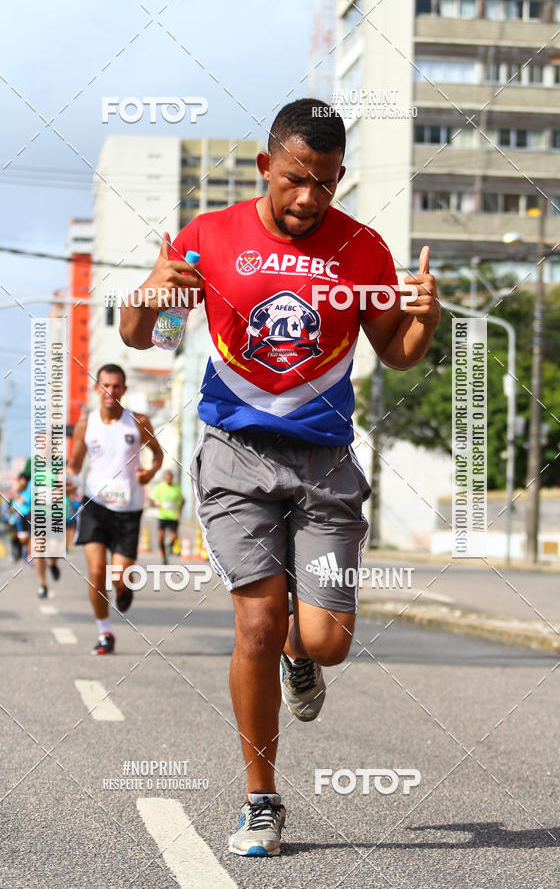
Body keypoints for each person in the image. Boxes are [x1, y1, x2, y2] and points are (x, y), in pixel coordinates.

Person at [120, 98, 440, 856]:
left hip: (327, 467)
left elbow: (396, 351)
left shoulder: (362, 248)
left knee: (324, 642)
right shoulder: (209, 236)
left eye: (326, 184)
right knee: (257, 622)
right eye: (297, 179)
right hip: (236, 456)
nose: (309, 199)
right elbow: (150, 339)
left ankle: (304, 659)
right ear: (267, 166)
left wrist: (425, 317)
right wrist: (152, 294)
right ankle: (261, 798)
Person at [67, 364, 163, 654]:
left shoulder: (138, 421)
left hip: (129, 510)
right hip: (95, 504)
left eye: (117, 386)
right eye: (105, 385)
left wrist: (150, 472)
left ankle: (124, 587)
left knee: (118, 577)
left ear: (124, 389)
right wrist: (68, 480)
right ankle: (104, 631)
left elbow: (158, 454)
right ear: (97, 388)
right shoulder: (87, 424)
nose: (111, 391)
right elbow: (75, 465)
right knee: (97, 571)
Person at [149, 470, 184, 564]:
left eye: (170, 477)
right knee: (160, 538)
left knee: (174, 537)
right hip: (162, 516)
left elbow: (183, 500)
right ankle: (164, 557)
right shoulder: (159, 487)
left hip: (173, 517)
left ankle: (169, 544)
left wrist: (179, 509)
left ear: (172, 478)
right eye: (167, 477)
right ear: (164, 478)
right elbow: (151, 501)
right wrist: (158, 505)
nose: (169, 479)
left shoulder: (176, 488)